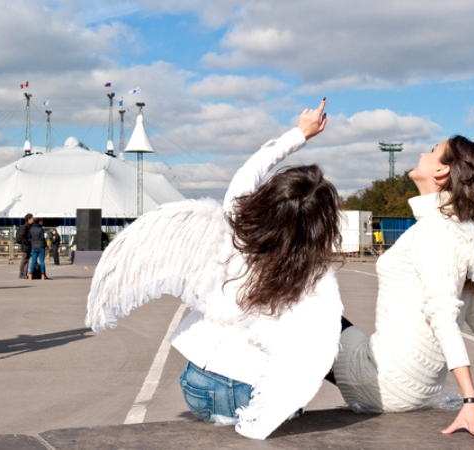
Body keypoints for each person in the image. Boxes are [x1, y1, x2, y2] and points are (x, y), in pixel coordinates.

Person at [87, 99, 344, 439]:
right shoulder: (313, 279)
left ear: (268, 198)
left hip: (198, 384)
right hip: (254, 391)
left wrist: (300, 133)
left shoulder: (232, 222)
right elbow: (313, 351)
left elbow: (250, 169)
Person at [330, 136, 474, 442]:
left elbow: (444, 315)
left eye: (431, 151)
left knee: (296, 305)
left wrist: (471, 402)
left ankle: (273, 402)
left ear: (441, 172)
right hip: (422, 391)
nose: (421, 153)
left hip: (381, 384)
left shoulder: (436, 231)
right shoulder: (460, 231)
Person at [16, 214, 33, 279]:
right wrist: (27, 242)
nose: (33, 219)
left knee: (27, 260)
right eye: (32, 218)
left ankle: (25, 273)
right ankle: (22, 273)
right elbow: (21, 236)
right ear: (28, 219)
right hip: (25, 246)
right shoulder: (25, 227)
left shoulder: (29, 226)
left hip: (28, 246)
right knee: (24, 259)